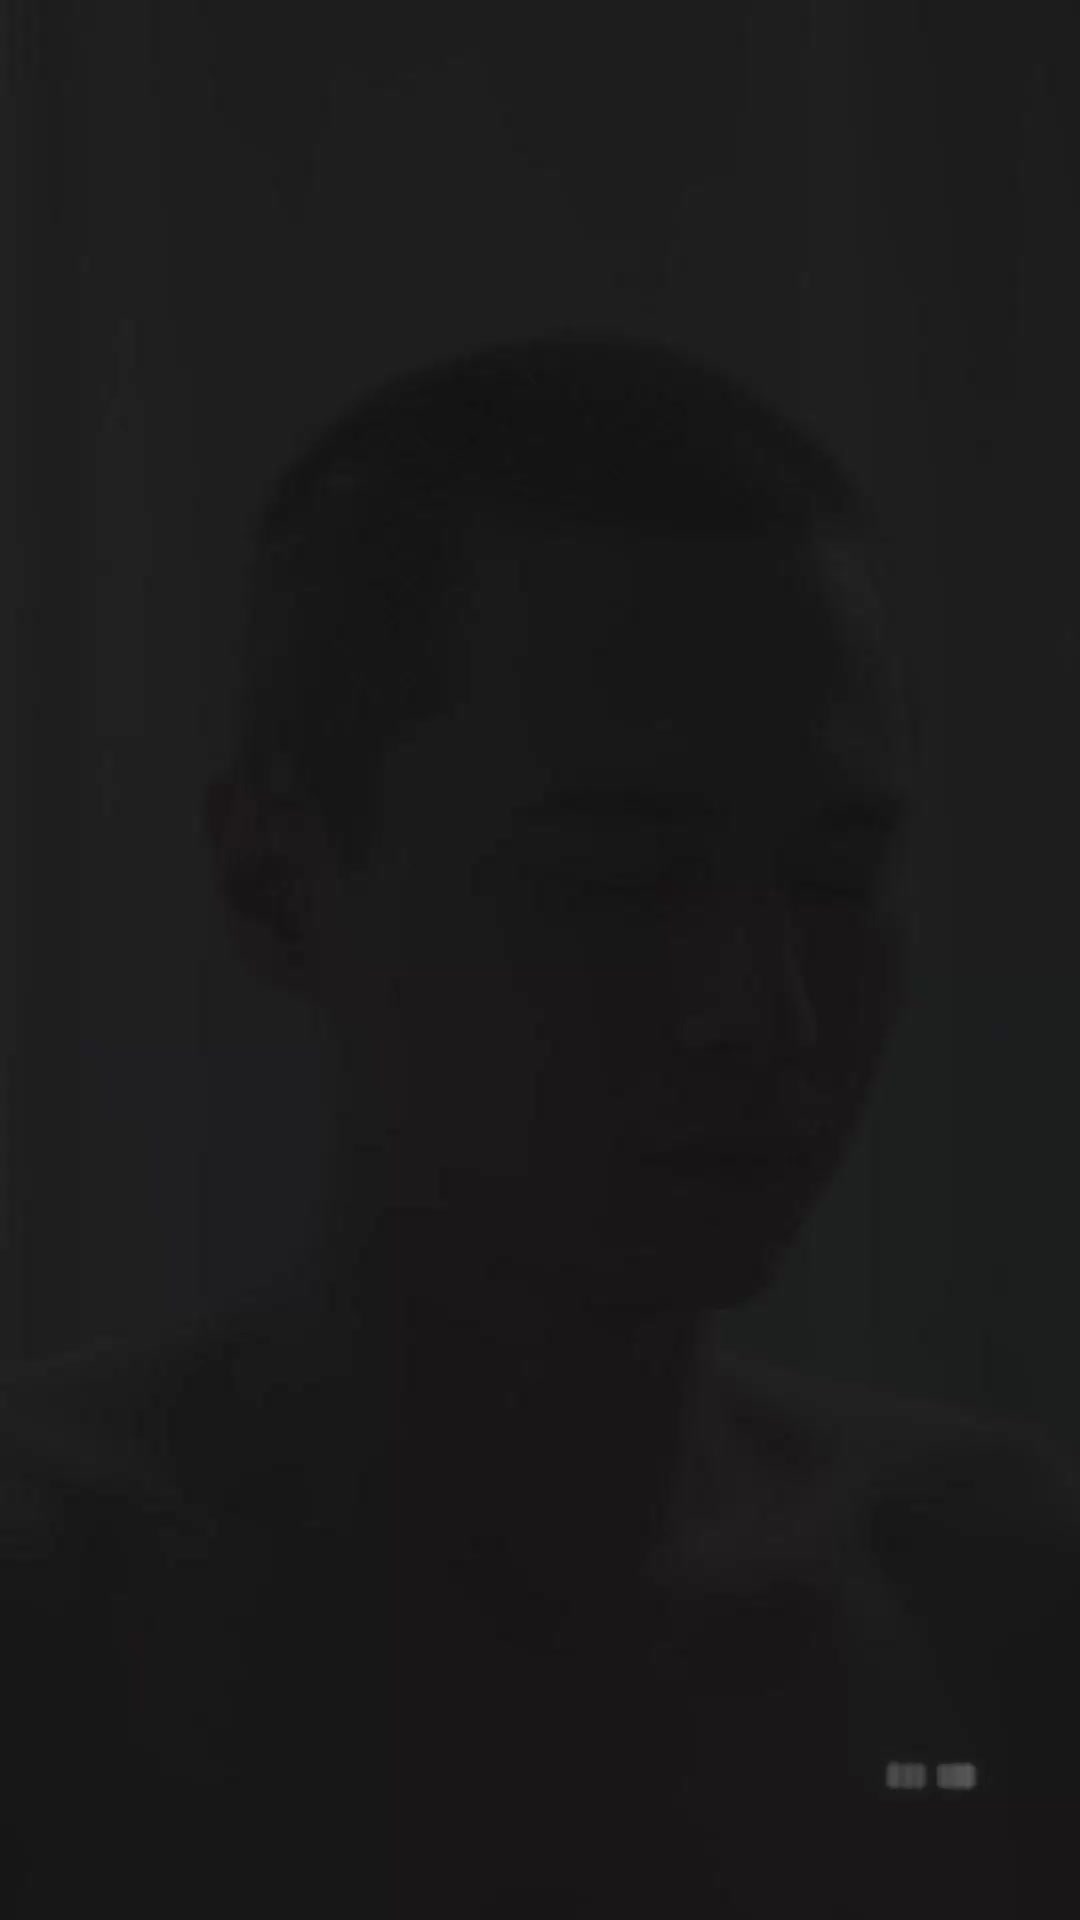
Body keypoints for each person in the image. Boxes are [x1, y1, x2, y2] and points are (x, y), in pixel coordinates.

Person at [4, 332, 1077, 1915]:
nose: (762, 1009)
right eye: (617, 882)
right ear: (278, 880)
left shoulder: (995, 1611)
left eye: (837, 876)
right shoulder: (46, 1629)